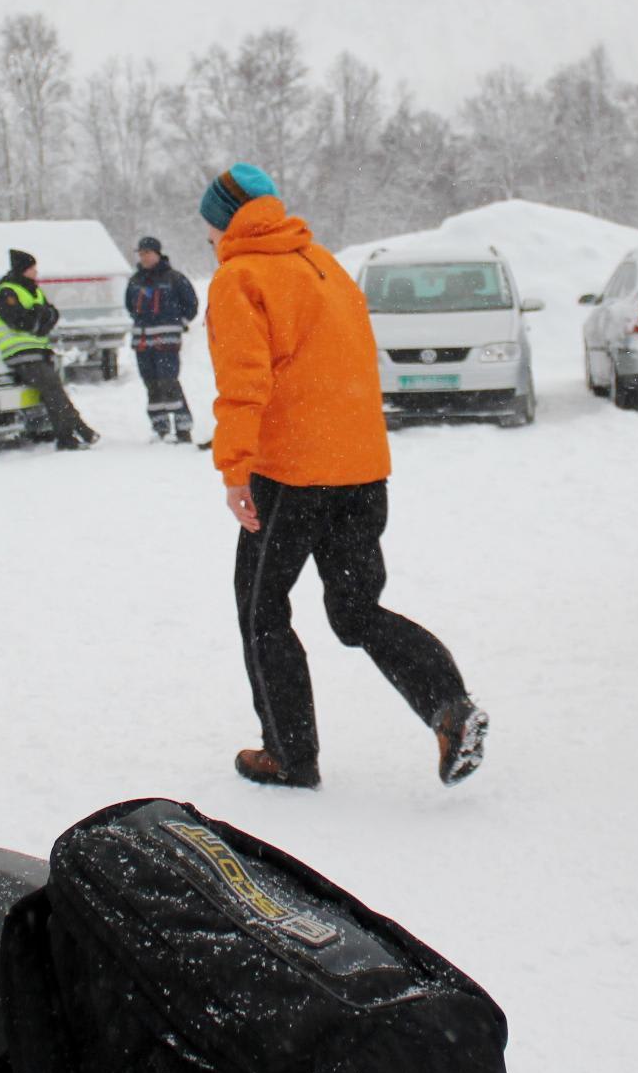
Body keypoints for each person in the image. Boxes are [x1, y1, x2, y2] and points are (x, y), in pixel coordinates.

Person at [200, 162, 487, 789]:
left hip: (292, 477)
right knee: (356, 611)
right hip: (360, 470)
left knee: (262, 610)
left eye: (209, 226)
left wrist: (234, 470)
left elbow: (244, 382)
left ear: (224, 221)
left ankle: (289, 755)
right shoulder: (322, 264)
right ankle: (448, 705)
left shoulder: (239, 277)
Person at [0, 249, 98, 451]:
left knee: (54, 391)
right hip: (19, 353)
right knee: (53, 392)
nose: (36, 272)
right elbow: (21, 321)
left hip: (38, 352)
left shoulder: (34, 290)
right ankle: (70, 436)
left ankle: (80, 431)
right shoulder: (7, 292)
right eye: (32, 268)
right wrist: (40, 318)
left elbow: (51, 315)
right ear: (23, 270)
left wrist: (39, 317)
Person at [125, 234, 200, 444]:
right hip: (142, 343)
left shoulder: (174, 278)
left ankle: (183, 429)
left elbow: (191, 305)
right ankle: (160, 427)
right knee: (151, 384)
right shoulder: (135, 281)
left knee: (168, 382)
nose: (144, 257)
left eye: (147, 253)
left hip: (166, 343)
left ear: (158, 254)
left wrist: (177, 324)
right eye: (141, 254)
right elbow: (130, 306)